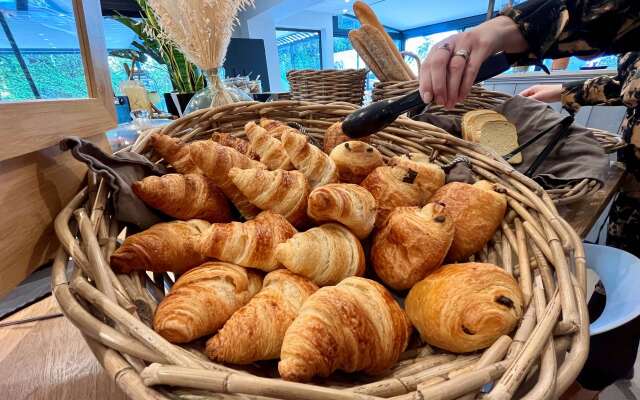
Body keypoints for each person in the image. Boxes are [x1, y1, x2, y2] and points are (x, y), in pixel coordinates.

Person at [418, 1, 640, 399]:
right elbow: (627, 85)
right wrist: (563, 92)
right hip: (635, 178)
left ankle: (592, 378)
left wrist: (504, 30)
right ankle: (599, 369)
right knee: (619, 281)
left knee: (626, 292)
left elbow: (603, 11)